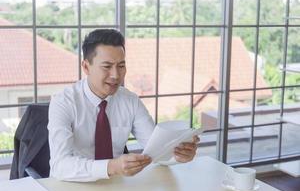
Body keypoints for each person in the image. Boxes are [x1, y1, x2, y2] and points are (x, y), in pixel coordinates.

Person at [48, 29, 199, 182]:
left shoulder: (130, 101)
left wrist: (178, 156)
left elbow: (157, 152)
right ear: (86, 67)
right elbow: (59, 166)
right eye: (107, 66)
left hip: (116, 185)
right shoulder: (63, 103)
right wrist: (111, 167)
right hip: (73, 185)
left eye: (121, 66)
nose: (115, 75)